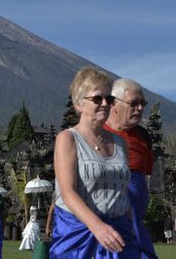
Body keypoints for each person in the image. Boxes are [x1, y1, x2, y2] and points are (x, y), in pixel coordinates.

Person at [50, 67, 139, 258]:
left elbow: (122, 190)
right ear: (79, 104)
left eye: (110, 99)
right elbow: (67, 192)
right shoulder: (68, 139)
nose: (105, 104)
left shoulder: (120, 142)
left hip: (120, 235)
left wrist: (132, 227)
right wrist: (98, 227)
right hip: (80, 238)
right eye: (98, 98)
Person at [104, 78, 157, 258]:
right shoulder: (96, 134)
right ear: (114, 104)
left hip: (136, 221)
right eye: (134, 103)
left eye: (143, 103)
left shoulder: (144, 137)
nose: (140, 108)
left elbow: (144, 178)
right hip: (108, 225)